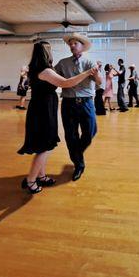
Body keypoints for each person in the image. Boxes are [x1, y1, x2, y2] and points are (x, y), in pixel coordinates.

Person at [18, 40, 95, 193]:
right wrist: (87, 72)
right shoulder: (45, 71)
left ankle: (41, 176)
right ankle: (31, 180)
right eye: (49, 49)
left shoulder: (38, 68)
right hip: (42, 111)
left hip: (43, 108)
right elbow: (66, 83)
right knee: (45, 147)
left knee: (45, 145)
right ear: (46, 52)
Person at [54, 33, 102, 181]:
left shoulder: (89, 62)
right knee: (71, 135)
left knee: (90, 131)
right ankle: (79, 165)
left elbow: (99, 82)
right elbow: (54, 78)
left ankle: (76, 153)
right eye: (70, 44)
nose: (72, 46)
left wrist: (97, 73)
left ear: (82, 45)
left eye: (75, 43)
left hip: (86, 102)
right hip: (68, 103)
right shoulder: (62, 63)